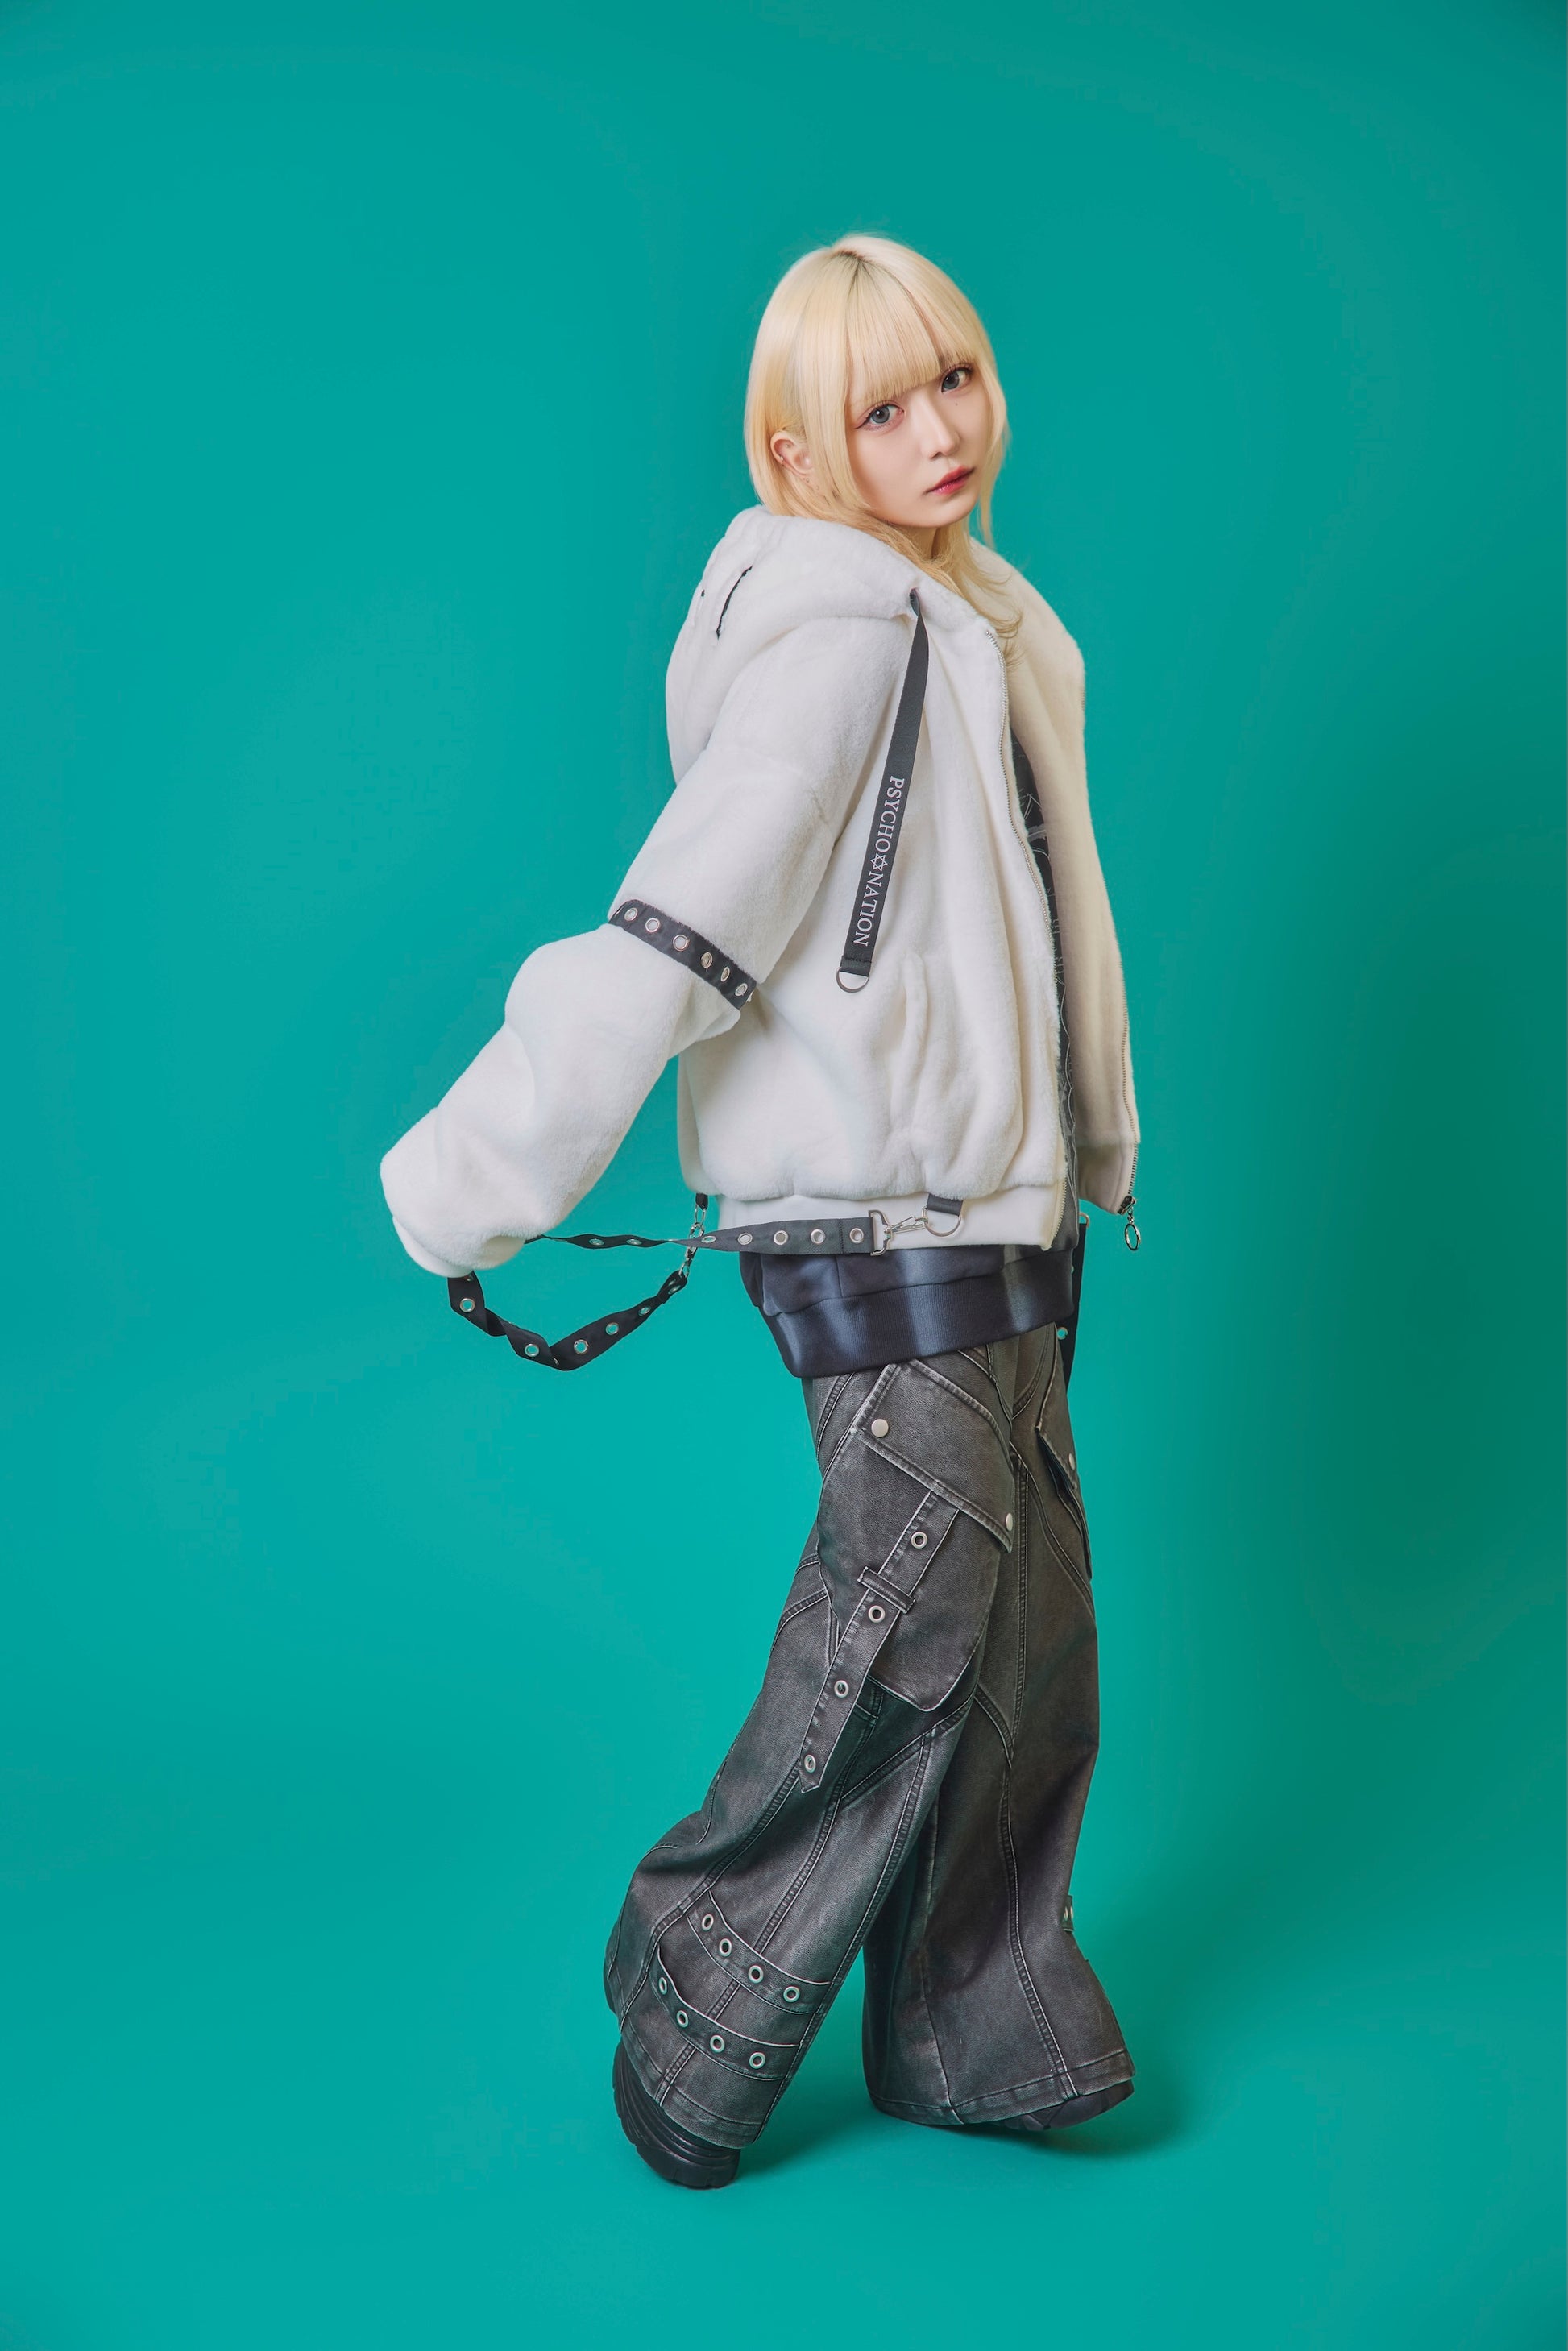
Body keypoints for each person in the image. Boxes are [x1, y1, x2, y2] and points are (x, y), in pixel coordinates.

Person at [380, 234, 1142, 2187]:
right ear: (797, 450)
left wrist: (1083, 1148)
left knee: (1027, 1631)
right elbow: (678, 926)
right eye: (879, 407)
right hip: (876, 1208)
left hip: (997, 1203)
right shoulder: (841, 634)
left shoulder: (978, 622)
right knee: (913, 1607)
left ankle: (973, 2016)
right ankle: (699, 1992)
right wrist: (478, 1173)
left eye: (954, 376)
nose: (938, 427)